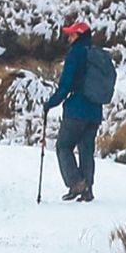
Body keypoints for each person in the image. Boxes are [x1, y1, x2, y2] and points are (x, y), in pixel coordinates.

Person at [44, 22, 102, 202]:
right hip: (95, 110)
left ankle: (76, 183)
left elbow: (65, 85)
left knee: (64, 146)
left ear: (78, 35)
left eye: (71, 35)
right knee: (86, 149)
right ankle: (87, 190)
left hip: (77, 109)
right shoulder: (97, 54)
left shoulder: (75, 54)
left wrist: (49, 104)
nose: (68, 38)